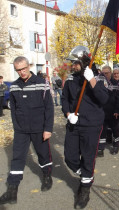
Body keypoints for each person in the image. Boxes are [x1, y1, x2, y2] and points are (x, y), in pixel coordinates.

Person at [0, 56, 54, 205]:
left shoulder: (41, 83)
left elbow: (49, 108)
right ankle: (12, 190)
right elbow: (14, 110)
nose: (22, 72)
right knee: (17, 158)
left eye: (24, 68)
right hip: (21, 130)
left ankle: (47, 176)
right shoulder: (15, 86)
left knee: (43, 155)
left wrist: (47, 129)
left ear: (29, 66)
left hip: (39, 128)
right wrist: (16, 126)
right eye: (18, 70)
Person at [62, 59, 109, 208]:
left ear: (84, 63)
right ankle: (85, 174)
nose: (73, 66)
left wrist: (92, 80)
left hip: (91, 124)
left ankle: (85, 188)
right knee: (70, 156)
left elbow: (104, 99)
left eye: (76, 63)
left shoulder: (99, 78)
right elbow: (64, 99)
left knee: (88, 157)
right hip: (74, 122)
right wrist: (68, 113)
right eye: (72, 63)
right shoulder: (70, 78)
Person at [98, 66, 119, 156]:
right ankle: (101, 149)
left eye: (107, 73)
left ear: (111, 73)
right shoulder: (99, 83)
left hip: (113, 112)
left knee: (115, 129)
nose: (104, 75)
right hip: (102, 112)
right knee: (102, 130)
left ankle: (116, 146)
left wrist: (117, 110)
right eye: (103, 73)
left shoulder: (116, 83)